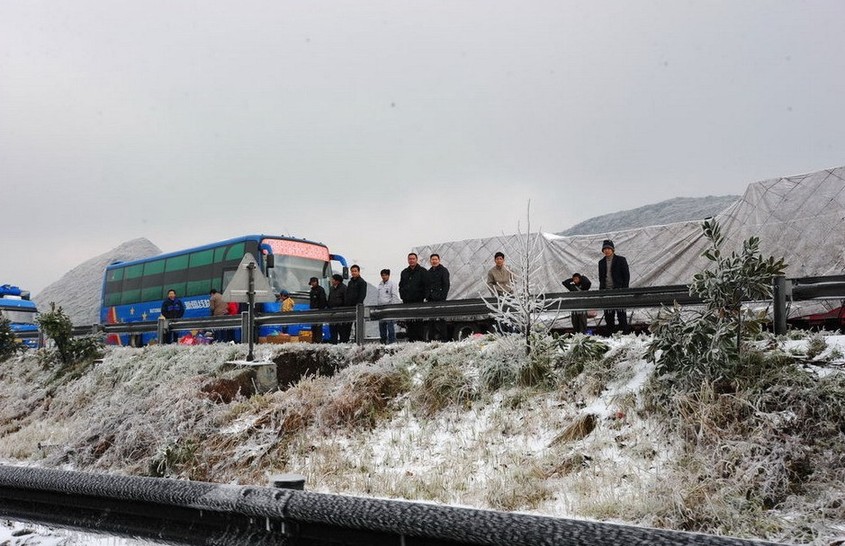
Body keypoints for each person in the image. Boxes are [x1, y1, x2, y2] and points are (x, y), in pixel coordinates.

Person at [598, 239, 630, 334]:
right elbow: (601, 277)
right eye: (605, 249)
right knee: (608, 315)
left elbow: (626, 276)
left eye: (608, 248)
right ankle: (610, 334)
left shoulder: (621, 260)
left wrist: (624, 290)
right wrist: (602, 291)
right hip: (606, 291)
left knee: (621, 314)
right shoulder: (601, 262)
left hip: (619, 291)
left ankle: (625, 334)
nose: (606, 250)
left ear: (613, 249)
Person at [399, 252, 429, 342]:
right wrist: (403, 296)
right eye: (410, 259)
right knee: (409, 321)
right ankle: (411, 340)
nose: (411, 260)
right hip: (407, 301)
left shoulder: (423, 271)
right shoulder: (404, 272)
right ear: (408, 260)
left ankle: (419, 341)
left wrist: (424, 297)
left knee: (418, 321)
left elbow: (426, 285)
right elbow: (401, 286)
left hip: (418, 300)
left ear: (416, 260)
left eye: (413, 259)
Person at [427, 254, 450, 341]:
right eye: (432, 259)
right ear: (430, 261)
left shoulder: (444, 271)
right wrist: (428, 296)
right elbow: (427, 286)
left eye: (436, 259)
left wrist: (442, 297)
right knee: (431, 320)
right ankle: (431, 339)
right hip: (431, 299)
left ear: (439, 260)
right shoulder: (428, 272)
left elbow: (446, 285)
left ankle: (444, 339)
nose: (434, 261)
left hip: (440, 299)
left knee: (441, 320)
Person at [343, 265, 367, 343]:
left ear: (358, 272)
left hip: (357, 308)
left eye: (355, 271)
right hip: (349, 307)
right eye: (352, 271)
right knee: (347, 326)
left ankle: (358, 342)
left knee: (358, 326)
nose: (353, 273)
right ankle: (345, 342)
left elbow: (362, 295)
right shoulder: (350, 282)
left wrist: (358, 305)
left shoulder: (362, 282)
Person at [377, 268, 400, 344]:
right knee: (382, 326)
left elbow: (394, 295)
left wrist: (392, 307)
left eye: (385, 275)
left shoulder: (392, 284)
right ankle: (383, 342)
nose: (384, 277)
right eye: (382, 275)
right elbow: (379, 296)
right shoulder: (380, 285)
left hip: (389, 308)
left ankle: (392, 342)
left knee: (390, 326)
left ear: (388, 275)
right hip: (381, 308)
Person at [327, 273, 347, 343]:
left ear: (337, 281)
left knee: (342, 331)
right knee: (333, 330)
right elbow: (330, 298)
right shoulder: (332, 288)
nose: (332, 281)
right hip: (332, 313)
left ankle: (342, 345)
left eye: (333, 280)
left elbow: (345, 300)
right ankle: (333, 343)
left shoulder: (344, 288)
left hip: (340, 313)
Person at [308, 277, 328, 343]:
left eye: (314, 282)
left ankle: (318, 340)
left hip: (319, 311)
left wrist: (320, 309)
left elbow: (323, 300)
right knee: (313, 327)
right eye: (312, 282)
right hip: (313, 311)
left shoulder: (320, 290)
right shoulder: (312, 290)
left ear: (317, 282)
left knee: (318, 327)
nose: (313, 283)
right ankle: (313, 340)